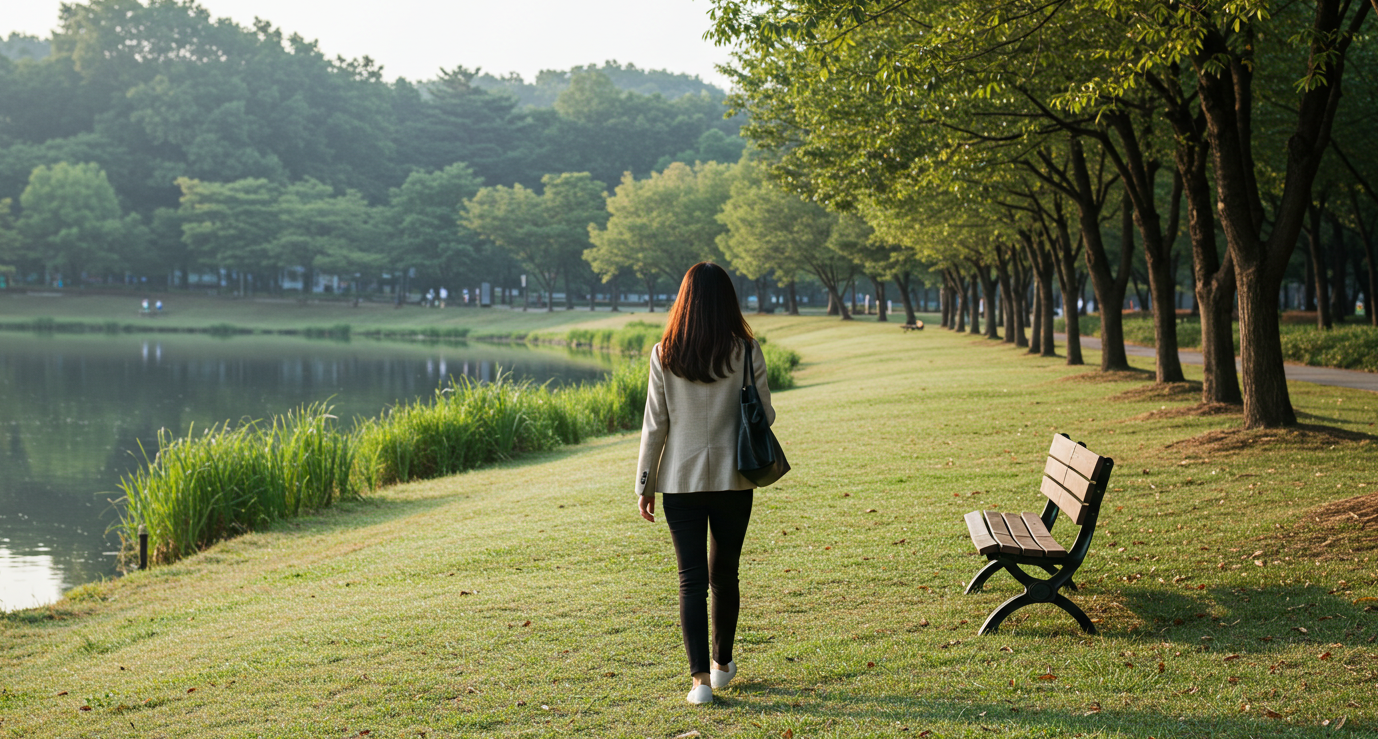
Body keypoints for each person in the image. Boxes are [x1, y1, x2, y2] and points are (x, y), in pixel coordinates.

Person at [635, 261, 776, 705]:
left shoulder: (665, 352)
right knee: (725, 573)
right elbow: (766, 415)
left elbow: (654, 426)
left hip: (680, 480)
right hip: (736, 477)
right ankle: (722, 666)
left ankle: (698, 682)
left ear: (685, 300)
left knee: (690, 579)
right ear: (727, 301)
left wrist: (644, 483)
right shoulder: (747, 350)